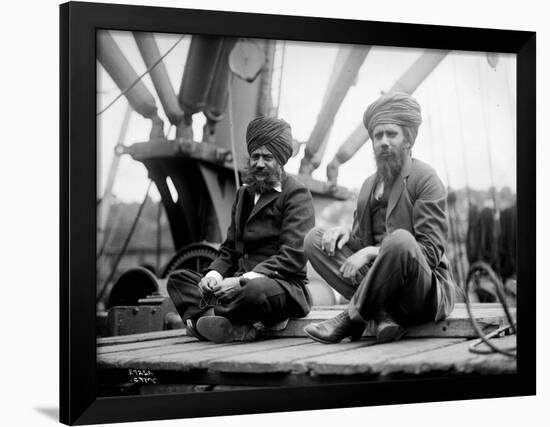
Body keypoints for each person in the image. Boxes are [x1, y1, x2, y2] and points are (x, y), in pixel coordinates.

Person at [303, 92, 458, 344]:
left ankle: (352, 319)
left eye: (391, 134)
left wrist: (372, 252)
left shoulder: (425, 178)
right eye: (378, 136)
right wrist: (345, 233)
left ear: (408, 139)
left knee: (400, 240)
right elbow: (359, 243)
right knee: (314, 238)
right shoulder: (366, 187)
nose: (384, 141)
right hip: (382, 284)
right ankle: (382, 313)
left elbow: (429, 253)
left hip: (418, 290)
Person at [167, 117, 315, 343]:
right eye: (255, 156)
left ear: (281, 160)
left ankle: (206, 320)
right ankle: (227, 323)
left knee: (252, 292)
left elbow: (292, 256)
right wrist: (213, 276)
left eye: (268, 157)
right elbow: (228, 251)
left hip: (280, 285)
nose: (259, 163)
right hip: (237, 282)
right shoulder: (243, 194)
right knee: (178, 279)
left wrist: (241, 281)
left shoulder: (296, 193)